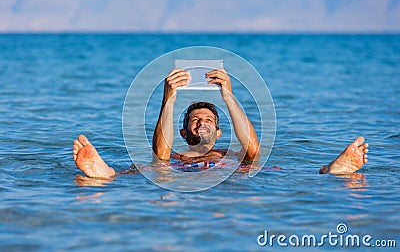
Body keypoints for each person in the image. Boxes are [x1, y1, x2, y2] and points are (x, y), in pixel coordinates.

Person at [72, 68, 369, 179]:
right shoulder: (173, 155)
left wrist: (228, 95)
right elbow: (160, 154)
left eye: (209, 120)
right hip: (177, 174)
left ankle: (331, 170)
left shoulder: (232, 155)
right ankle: (105, 174)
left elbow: (252, 148)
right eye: (195, 120)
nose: (202, 123)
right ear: (184, 132)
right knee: (149, 168)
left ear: (219, 131)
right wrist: (169, 98)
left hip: (227, 179)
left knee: (266, 166)